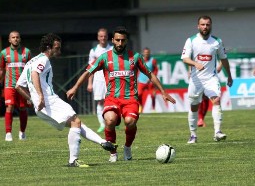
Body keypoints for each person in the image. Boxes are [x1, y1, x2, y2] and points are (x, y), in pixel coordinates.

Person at [66, 26, 176, 162]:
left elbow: (150, 74)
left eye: (122, 40)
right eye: (117, 40)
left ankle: (127, 147)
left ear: (126, 41)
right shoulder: (105, 57)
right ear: (112, 40)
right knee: (110, 120)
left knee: (130, 122)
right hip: (112, 98)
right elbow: (88, 72)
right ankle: (112, 152)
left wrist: (163, 92)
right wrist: (75, 87)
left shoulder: (135, 57)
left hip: (130, 99)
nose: (119, 43)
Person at [15, 33, 116, 167]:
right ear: (48, 47)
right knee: (76, 122)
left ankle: (102, 142)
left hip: (42, 104)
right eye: (57, 48)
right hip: (49, 101)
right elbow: (35, 74)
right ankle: (73, 160)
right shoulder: (43, 60)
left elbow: (18, 86)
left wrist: (32, 100)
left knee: (76, 123)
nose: (59, 51)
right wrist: (39, 96)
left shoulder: (31, 61)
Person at [181, 15, 233, 143]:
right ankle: (193, 135)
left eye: (207, 24)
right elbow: (185, 58)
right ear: (198, 26)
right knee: (194, 106)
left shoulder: (217, 41)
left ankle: (217, 132)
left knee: (216, 100)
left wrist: (229, 75)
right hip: (196, 79)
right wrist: (195, 64)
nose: (205, 27)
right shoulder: (191, 40)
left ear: (211, 26)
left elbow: (224, 59)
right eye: (203, 24)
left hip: (211, 78)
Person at [0, 31, 31, 141]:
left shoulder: (26, 52)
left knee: (23, 108)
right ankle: (8, 133)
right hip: (9, 85)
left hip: (22, 86)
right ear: (9, 40)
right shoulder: (4, 53)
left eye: (17, 37)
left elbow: (30, 70)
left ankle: (22, 132)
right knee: (10, 107)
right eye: (13, 37)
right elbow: (2, 70)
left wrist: (30, 85)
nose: (15, 39)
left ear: (20, 39)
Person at [87, 28, 113, 132]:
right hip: (98, 80)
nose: (103, 38)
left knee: (112, 101)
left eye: (105, 36)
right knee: (100, 102)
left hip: (111, 79)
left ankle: (113, 121)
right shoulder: (94, 51)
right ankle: (102, 124)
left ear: (107, 37)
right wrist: (89, 83)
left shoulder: (112, 48)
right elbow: (90, 68)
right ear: (98, 37)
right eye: (101, 36)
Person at [197, 61, 223, 127]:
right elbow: (190, 57)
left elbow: (222, 54)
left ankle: (201, 119)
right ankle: (200, 119)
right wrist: (189, 70)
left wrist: (220, 65)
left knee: (206, 97)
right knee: (199, 97)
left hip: (210, 75)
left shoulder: (214, 50)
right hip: (198, 74)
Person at [137, 47, 158, 113]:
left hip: (150, 81)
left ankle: (153, 109)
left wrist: (152, 78)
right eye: (145, 52)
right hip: (141, 81)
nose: (146, 54)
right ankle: (140, 108)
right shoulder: (140, 60)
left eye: (147, 52)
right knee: (139, 94)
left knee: (153, 95)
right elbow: (137, 70)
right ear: (143, 53)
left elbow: (156, 70)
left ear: (149, 53)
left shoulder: (152, 60)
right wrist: (137, 78)